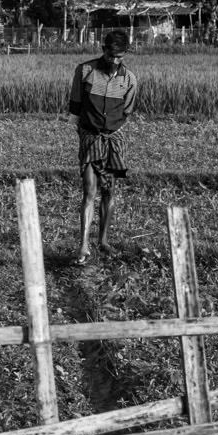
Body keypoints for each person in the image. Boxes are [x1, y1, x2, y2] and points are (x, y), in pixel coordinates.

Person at [68, 30, 137, 264]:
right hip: (90, 137)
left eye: (119, 56)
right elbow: (75, 105)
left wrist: (111, 128)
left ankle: (103, 240)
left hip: (113, 139)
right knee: (89, 189)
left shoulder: (129, 80)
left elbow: (126, 111)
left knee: (109, 190)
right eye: (111, 55)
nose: (114, 60)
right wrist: (83, 131)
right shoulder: (85, 71)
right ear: (103, 49)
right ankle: (84, 245)